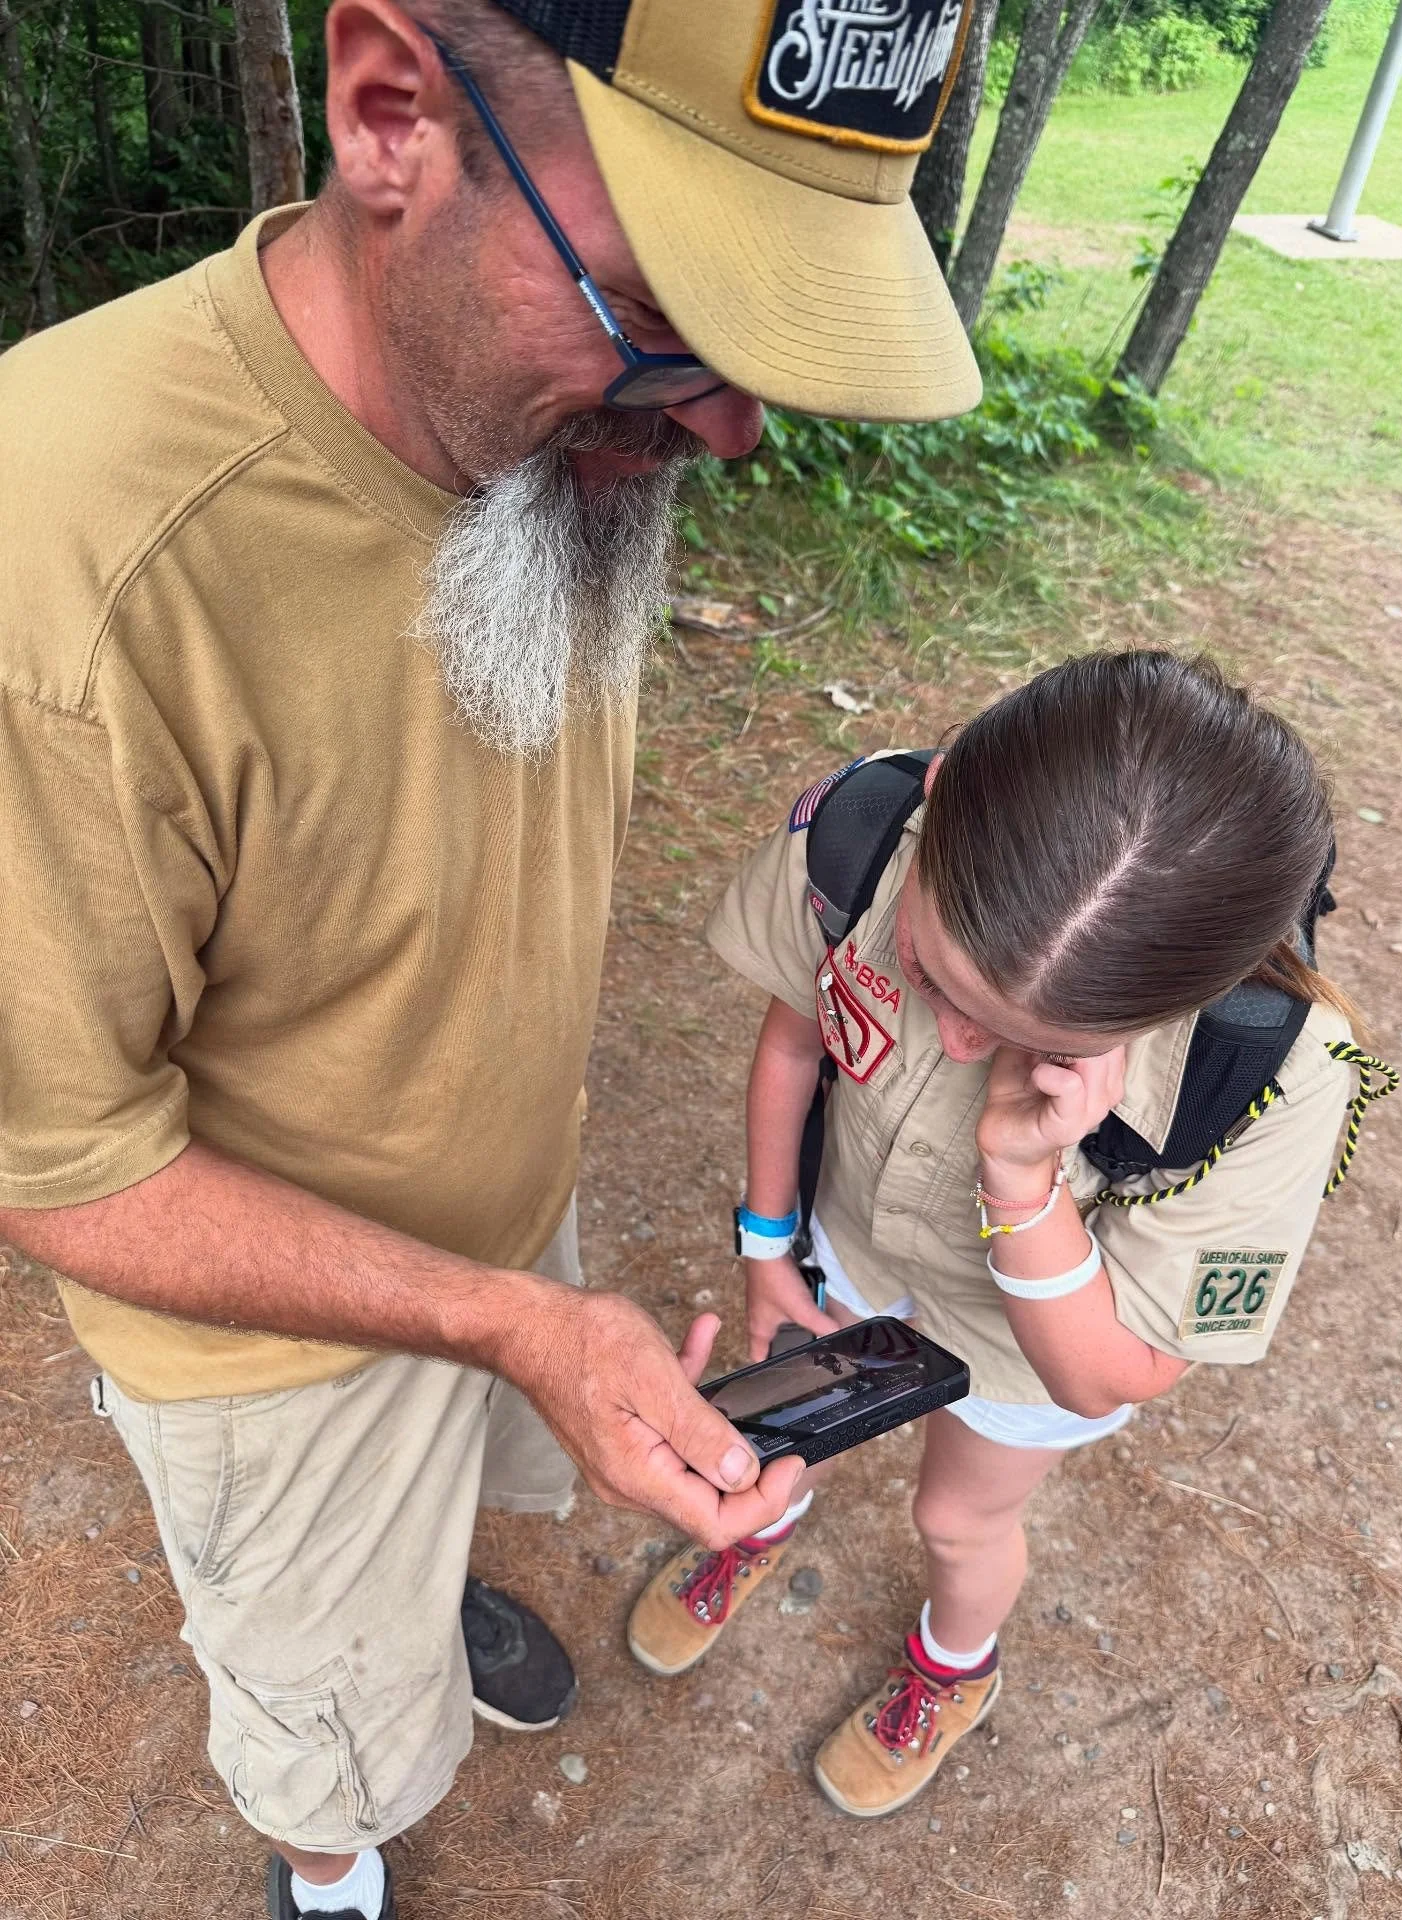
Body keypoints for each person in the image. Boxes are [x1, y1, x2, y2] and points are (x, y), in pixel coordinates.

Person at [0, 1, 984, 1913]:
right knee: (327, 1730)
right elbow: (60, 1167)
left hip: (499, 1233)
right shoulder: (69, 572)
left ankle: (417, 1588)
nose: (731, 426)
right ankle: (329, 1870)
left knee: (440, 1512)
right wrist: (507, 1321)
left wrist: (514, 1308)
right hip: (271, 1356)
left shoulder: (546, 452)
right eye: (670, 318)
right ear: (391, 115)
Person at [627, 649, 1393, 1818]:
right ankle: (765, 1512)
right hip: (854, 1234)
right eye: (929, 973)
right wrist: (767, 1244)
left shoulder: (1277, 1077)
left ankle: (954, 1666)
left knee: (959, 1517)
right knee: (795, 1414)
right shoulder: (863, 837)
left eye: (1044, 1040)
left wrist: (1023, 1176)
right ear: (939, 796)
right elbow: (794, 1043)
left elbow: (1111, 1374)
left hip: (1033, 1337)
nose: (961, 1044)